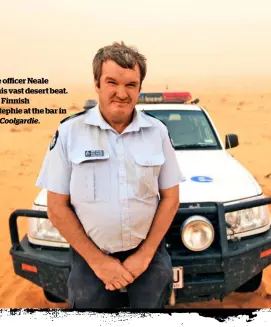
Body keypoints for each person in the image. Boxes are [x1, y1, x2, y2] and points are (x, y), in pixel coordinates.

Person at [36, 41, 184, 309]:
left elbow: (171, 198)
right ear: (97, 83)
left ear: (139, 88)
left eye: (130, 84)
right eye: (112, 82)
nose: (121, 93)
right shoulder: (70, 133)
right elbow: (56, 207)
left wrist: (145, 255)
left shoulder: (157, 132)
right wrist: (98, 261)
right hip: (90, 261)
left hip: (149, 257)